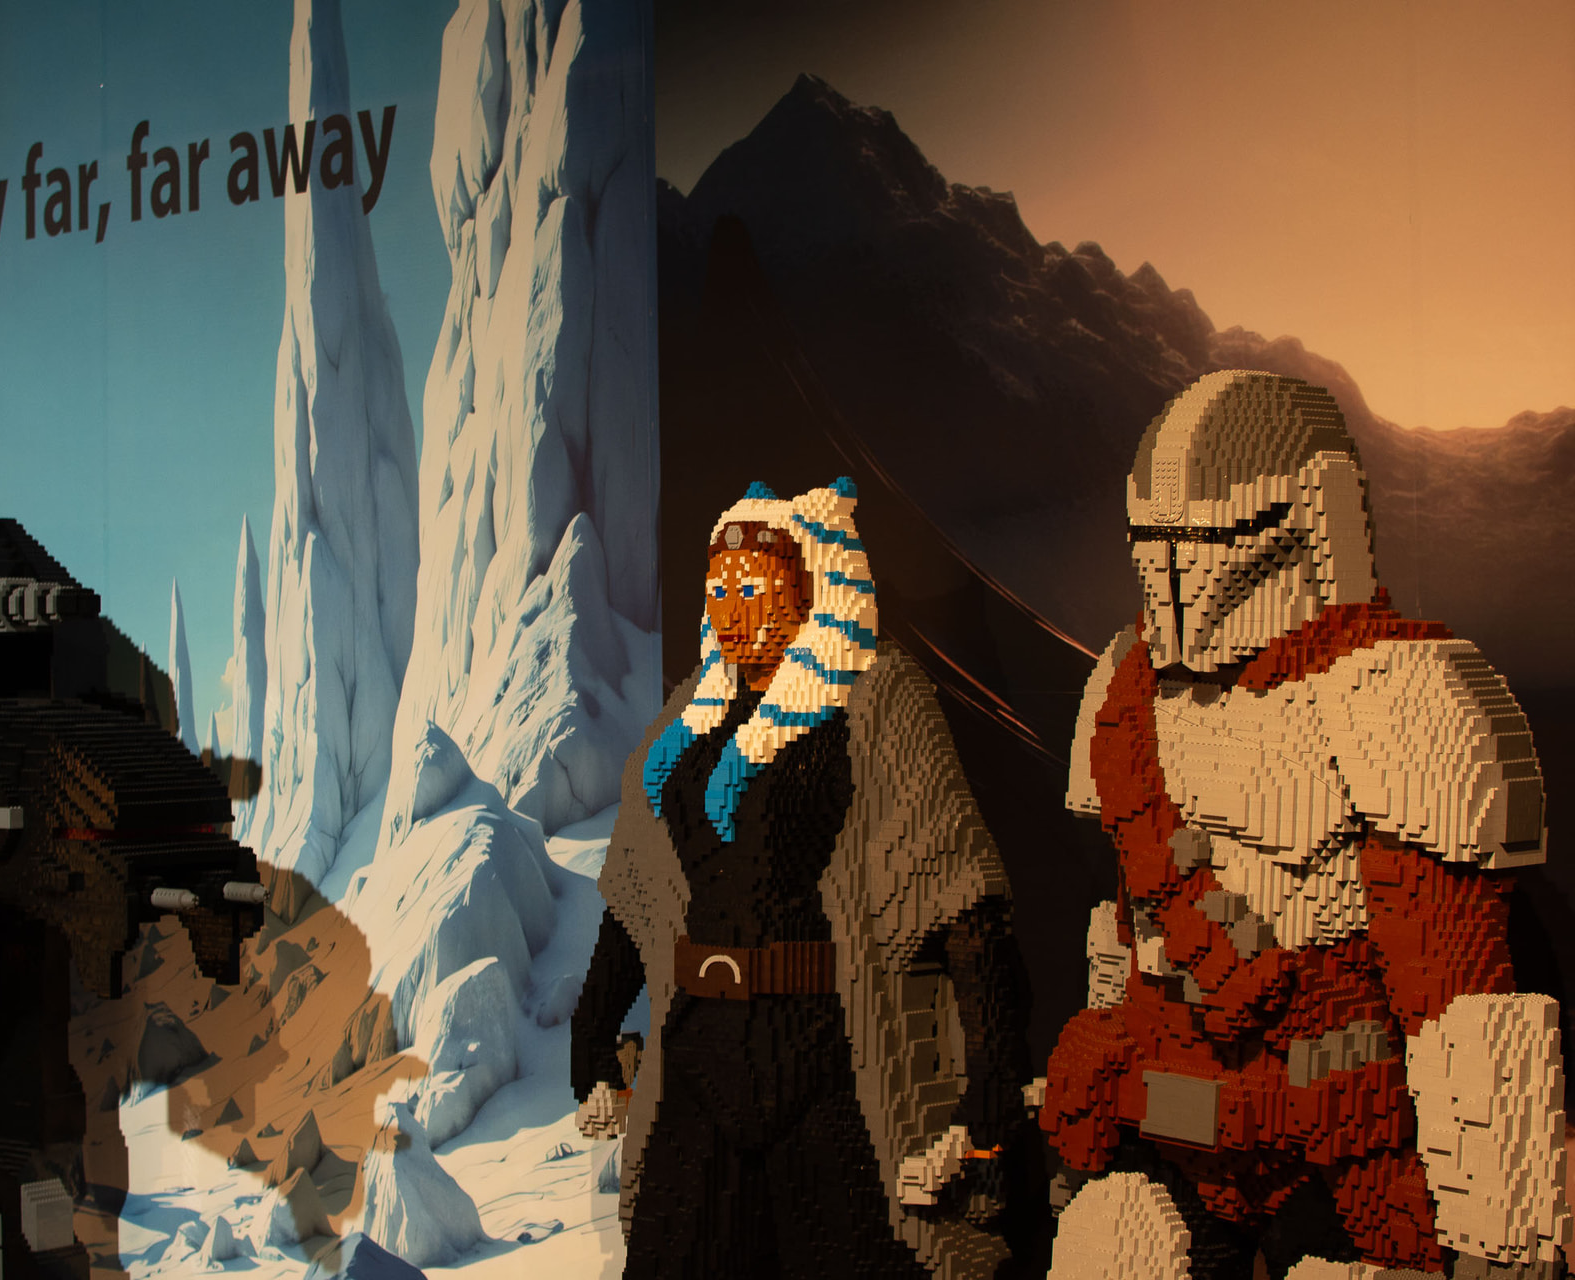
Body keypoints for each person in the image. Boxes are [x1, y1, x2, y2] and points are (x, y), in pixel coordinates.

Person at [1041, 371, 1566, 1279]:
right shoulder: (1125, 691)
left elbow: (1461, 1001)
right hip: (1162, 1135)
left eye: (1210, 537)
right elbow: (1120, 931)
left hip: (1340, 1151)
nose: (1176, 570)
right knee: (1111, 1248)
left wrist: (1502, 1237)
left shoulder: (1402, 695)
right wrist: (1086, 1122)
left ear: (1306, 517)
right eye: (1154, 541)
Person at [572, 478, 1023, 1278]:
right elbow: (639, 885)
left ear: (807, 588)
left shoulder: (876, 700)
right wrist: (594, 1038)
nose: (731, 611)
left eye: (753, 590)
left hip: (829, 1055)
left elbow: (960, 903)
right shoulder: (690, 720)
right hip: (701, 1051)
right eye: (718, 590)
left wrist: (988, 1097)